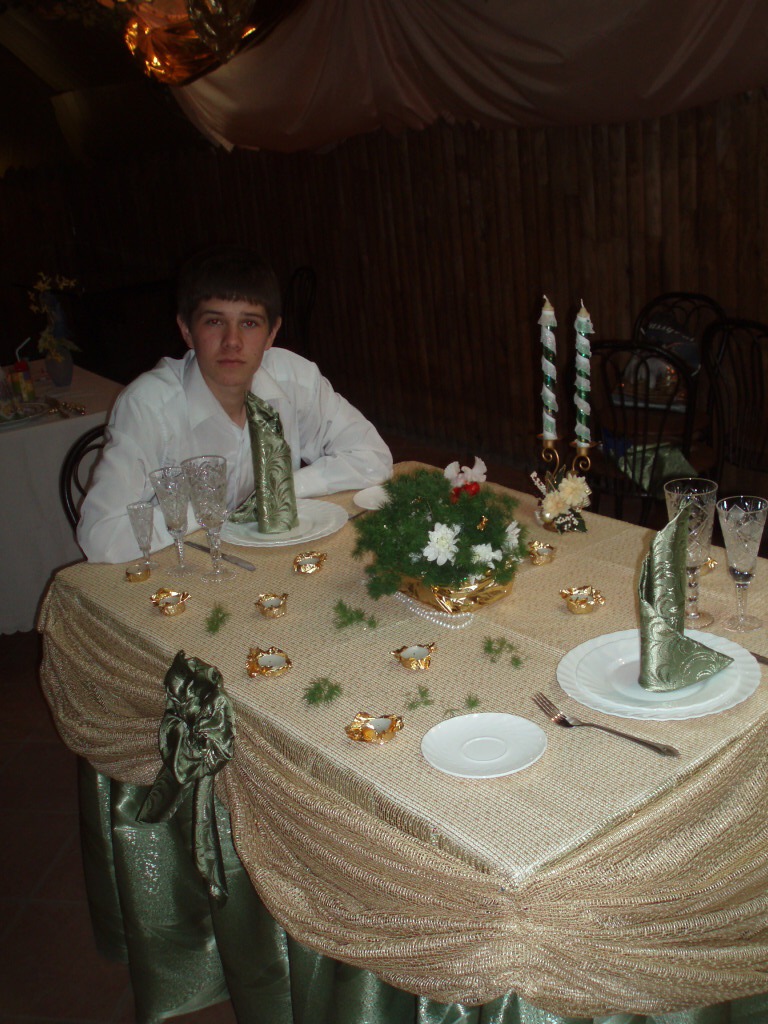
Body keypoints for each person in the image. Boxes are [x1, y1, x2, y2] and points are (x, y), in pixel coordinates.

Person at [78, 246, 392, 562]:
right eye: (214, 322)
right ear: (187, 330)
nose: (232, 341)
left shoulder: (295, 379)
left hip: (275, 557)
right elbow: (101, 536)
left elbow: (372, 457)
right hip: (187, 570)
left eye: (249, 323)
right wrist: (206, 510)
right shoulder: (149, 407)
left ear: (271, 334)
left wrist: (280, 489)